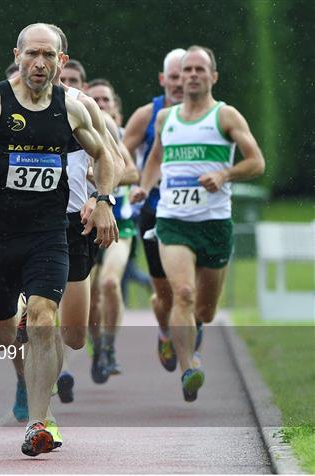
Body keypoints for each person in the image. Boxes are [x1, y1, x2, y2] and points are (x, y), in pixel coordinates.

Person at [0, 23, 118, 457]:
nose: (39, 64)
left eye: (48, 56)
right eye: (32, 54)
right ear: (18, 54)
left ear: (61, 59)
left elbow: (105, 156)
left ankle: (39, 423)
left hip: (48, 232)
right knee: (1, 336)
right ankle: (21, 353)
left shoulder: (73, 108)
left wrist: (102, 200)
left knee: (43, 319)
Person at [132, 45, 265, 402]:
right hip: (173, 221)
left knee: (205, 309)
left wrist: (225, 173)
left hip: (214, 223)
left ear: (213, 77)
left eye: (199, 69)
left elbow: (257, 162)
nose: (191, 75)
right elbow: (156, 155)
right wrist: (144, 188)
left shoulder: (226, 117)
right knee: (184, 294)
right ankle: (188, 366)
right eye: (187, 69)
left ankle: (192, 335)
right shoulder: (166, 119)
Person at [123, 48, 186, 372]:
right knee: (164, 292)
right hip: (153, 207)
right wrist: (133, 181)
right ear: (163, 79)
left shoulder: (210, 115)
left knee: (190, 290)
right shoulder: (148, 115)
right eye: (173, 77)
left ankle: (189, 326)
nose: (179, 83)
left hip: (193, 211)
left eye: (184, 75)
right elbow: (120, 154)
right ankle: (164, 331)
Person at [86, 78, 139, 383]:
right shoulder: (71, 126)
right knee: (91, 297)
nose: (101, 106)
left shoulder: (113, 133)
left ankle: (109, 347)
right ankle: (99, 347)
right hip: (85, 224)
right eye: (96, 100)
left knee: (108, 283)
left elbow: (132, 171)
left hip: (122, 225)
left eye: (106, 100)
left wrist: (102, 179)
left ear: (115, 107)